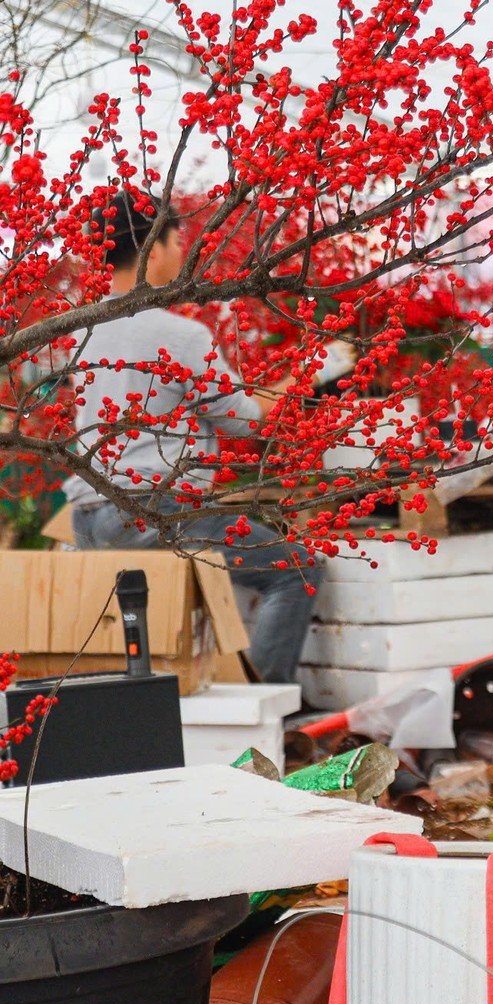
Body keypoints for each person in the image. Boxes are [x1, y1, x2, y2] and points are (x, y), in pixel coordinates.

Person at [65, 192, 315, 685]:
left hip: (87, 517)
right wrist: (302, 378)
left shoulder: (79, 328)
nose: (183, 253)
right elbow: (241, 421)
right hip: (156, 512)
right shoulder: (177, 335)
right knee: (295, 572)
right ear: (153, 251)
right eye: (178, 240)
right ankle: (263, 712)